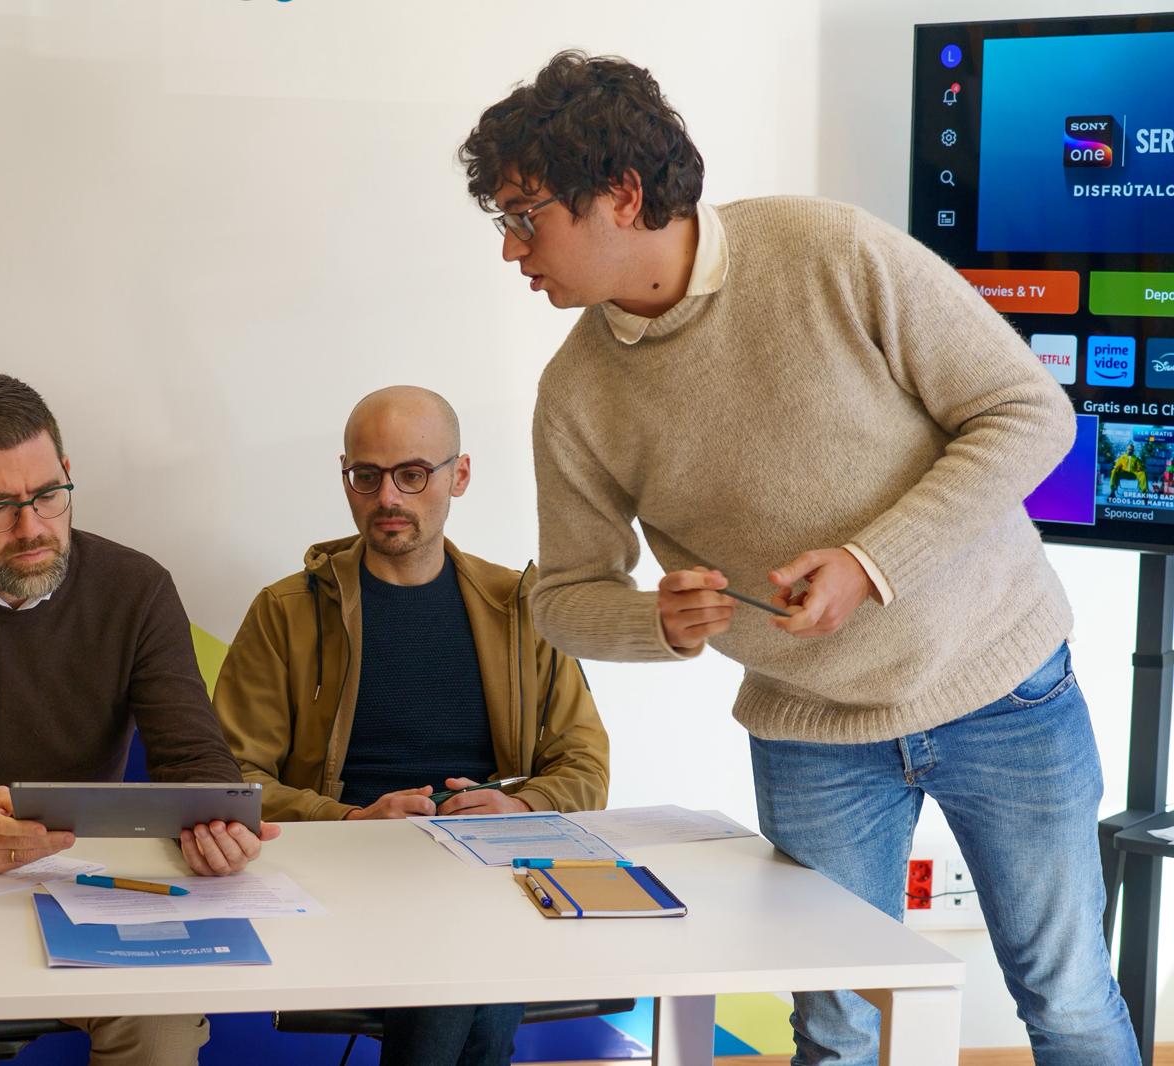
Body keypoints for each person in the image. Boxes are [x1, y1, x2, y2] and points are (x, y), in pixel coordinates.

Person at [459, 50, 1138, 1066]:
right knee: (836, 1028)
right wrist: (653, 619)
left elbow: (1029, 413)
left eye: (526, 216)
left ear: (622, 195)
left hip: (1000, 685)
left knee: (1068, 999)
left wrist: (870, 562)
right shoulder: (575, 393)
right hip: (811, 733)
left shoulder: (827, 250)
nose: (514, 249)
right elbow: (563, 596)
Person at [0, 373, 277, 1066]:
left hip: (91, 884)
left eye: (47, 495)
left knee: (160, 1036)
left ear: (67, 471)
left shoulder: (137, 588)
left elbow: (194, 758)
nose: (32, 527)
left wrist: (217, 825)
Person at [212, 385, 609, 1066]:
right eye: (367, 476)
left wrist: (518, 806)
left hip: (491, 873)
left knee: (467, 935)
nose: (388, 496)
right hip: (346, 875)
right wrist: (348, 820)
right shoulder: (286, 612)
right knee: (465, 954)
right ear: (346, 476)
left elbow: (585, 765)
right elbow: (230, 778)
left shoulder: (520, 608)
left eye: (413, 474)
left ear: (460, 475)